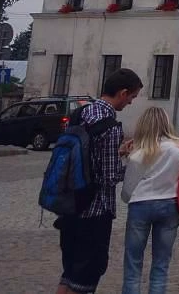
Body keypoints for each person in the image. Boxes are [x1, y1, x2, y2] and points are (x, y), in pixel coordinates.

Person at [55, 67, 143, 294]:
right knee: (86, 276)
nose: (131, 102)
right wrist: (137, 166)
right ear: (123, 93)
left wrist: (117, 152)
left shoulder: (80, 114)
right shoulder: (110, 126)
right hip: (95, 210)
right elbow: (110, 176)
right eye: (132, 97)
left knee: (69, 273)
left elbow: (86, 156)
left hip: (70, 204)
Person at [120, 106, 179, 294]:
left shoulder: (139, 153)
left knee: (133, 265)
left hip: (141, 205)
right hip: (169, 204)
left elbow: (127, 191)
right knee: (161, 264)